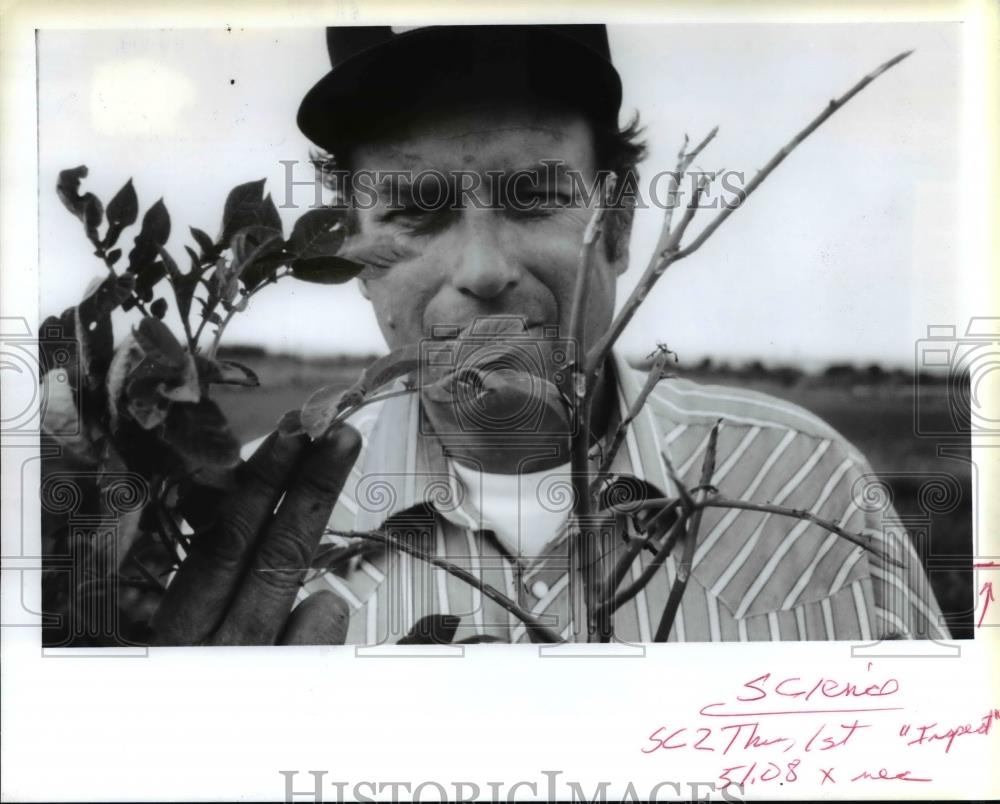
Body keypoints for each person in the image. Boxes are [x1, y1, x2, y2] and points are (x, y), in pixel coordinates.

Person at [149, 24, 948, 645]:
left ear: (620, 225)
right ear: (353, 258)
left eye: (533, 198)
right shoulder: (248, 522)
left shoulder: (808, 486)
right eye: (417, 212)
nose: (485, 268)